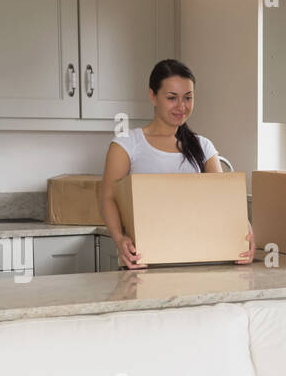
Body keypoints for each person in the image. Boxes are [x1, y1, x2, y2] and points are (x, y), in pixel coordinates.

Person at [99, 58, 255, 269]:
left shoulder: (204, 147)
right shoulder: (127, 144)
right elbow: (108, 197)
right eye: (172, 98)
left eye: (188, 98)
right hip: (143, 262)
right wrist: (119, 239)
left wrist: (245, 231)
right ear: (152, 96)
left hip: (198, 262)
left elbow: (224, 201)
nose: (182, 106)